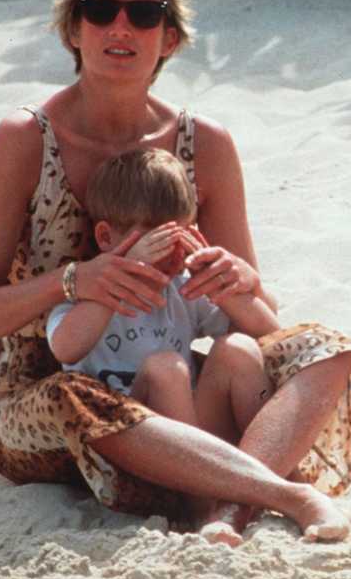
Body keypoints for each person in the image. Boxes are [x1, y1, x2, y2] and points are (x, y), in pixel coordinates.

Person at [0, 0, 351, 543]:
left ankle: (226, 511)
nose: (121, 27)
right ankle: (277, 494)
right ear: (74, 29)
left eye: (145, 14)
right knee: (79, 396)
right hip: (44, 394)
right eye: (100, 9)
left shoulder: (207, 143)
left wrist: (237, 280)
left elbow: (255, 321)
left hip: (164, 380)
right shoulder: (25, 137)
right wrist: (75, 281)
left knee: (328, 350)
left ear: (169, 38)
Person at [47, 148, 277, 455]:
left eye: (180, 238)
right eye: (157, 242)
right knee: (166, 369)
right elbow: (65, 347)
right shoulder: (86, 297)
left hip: (193, 430)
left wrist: (223, 283)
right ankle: (201, 497)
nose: (172, 255)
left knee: (238, 348)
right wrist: (120, 278)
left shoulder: (181, 289)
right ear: (105, 238)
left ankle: (270, 467)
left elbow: (269, 332)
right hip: (133, 439)